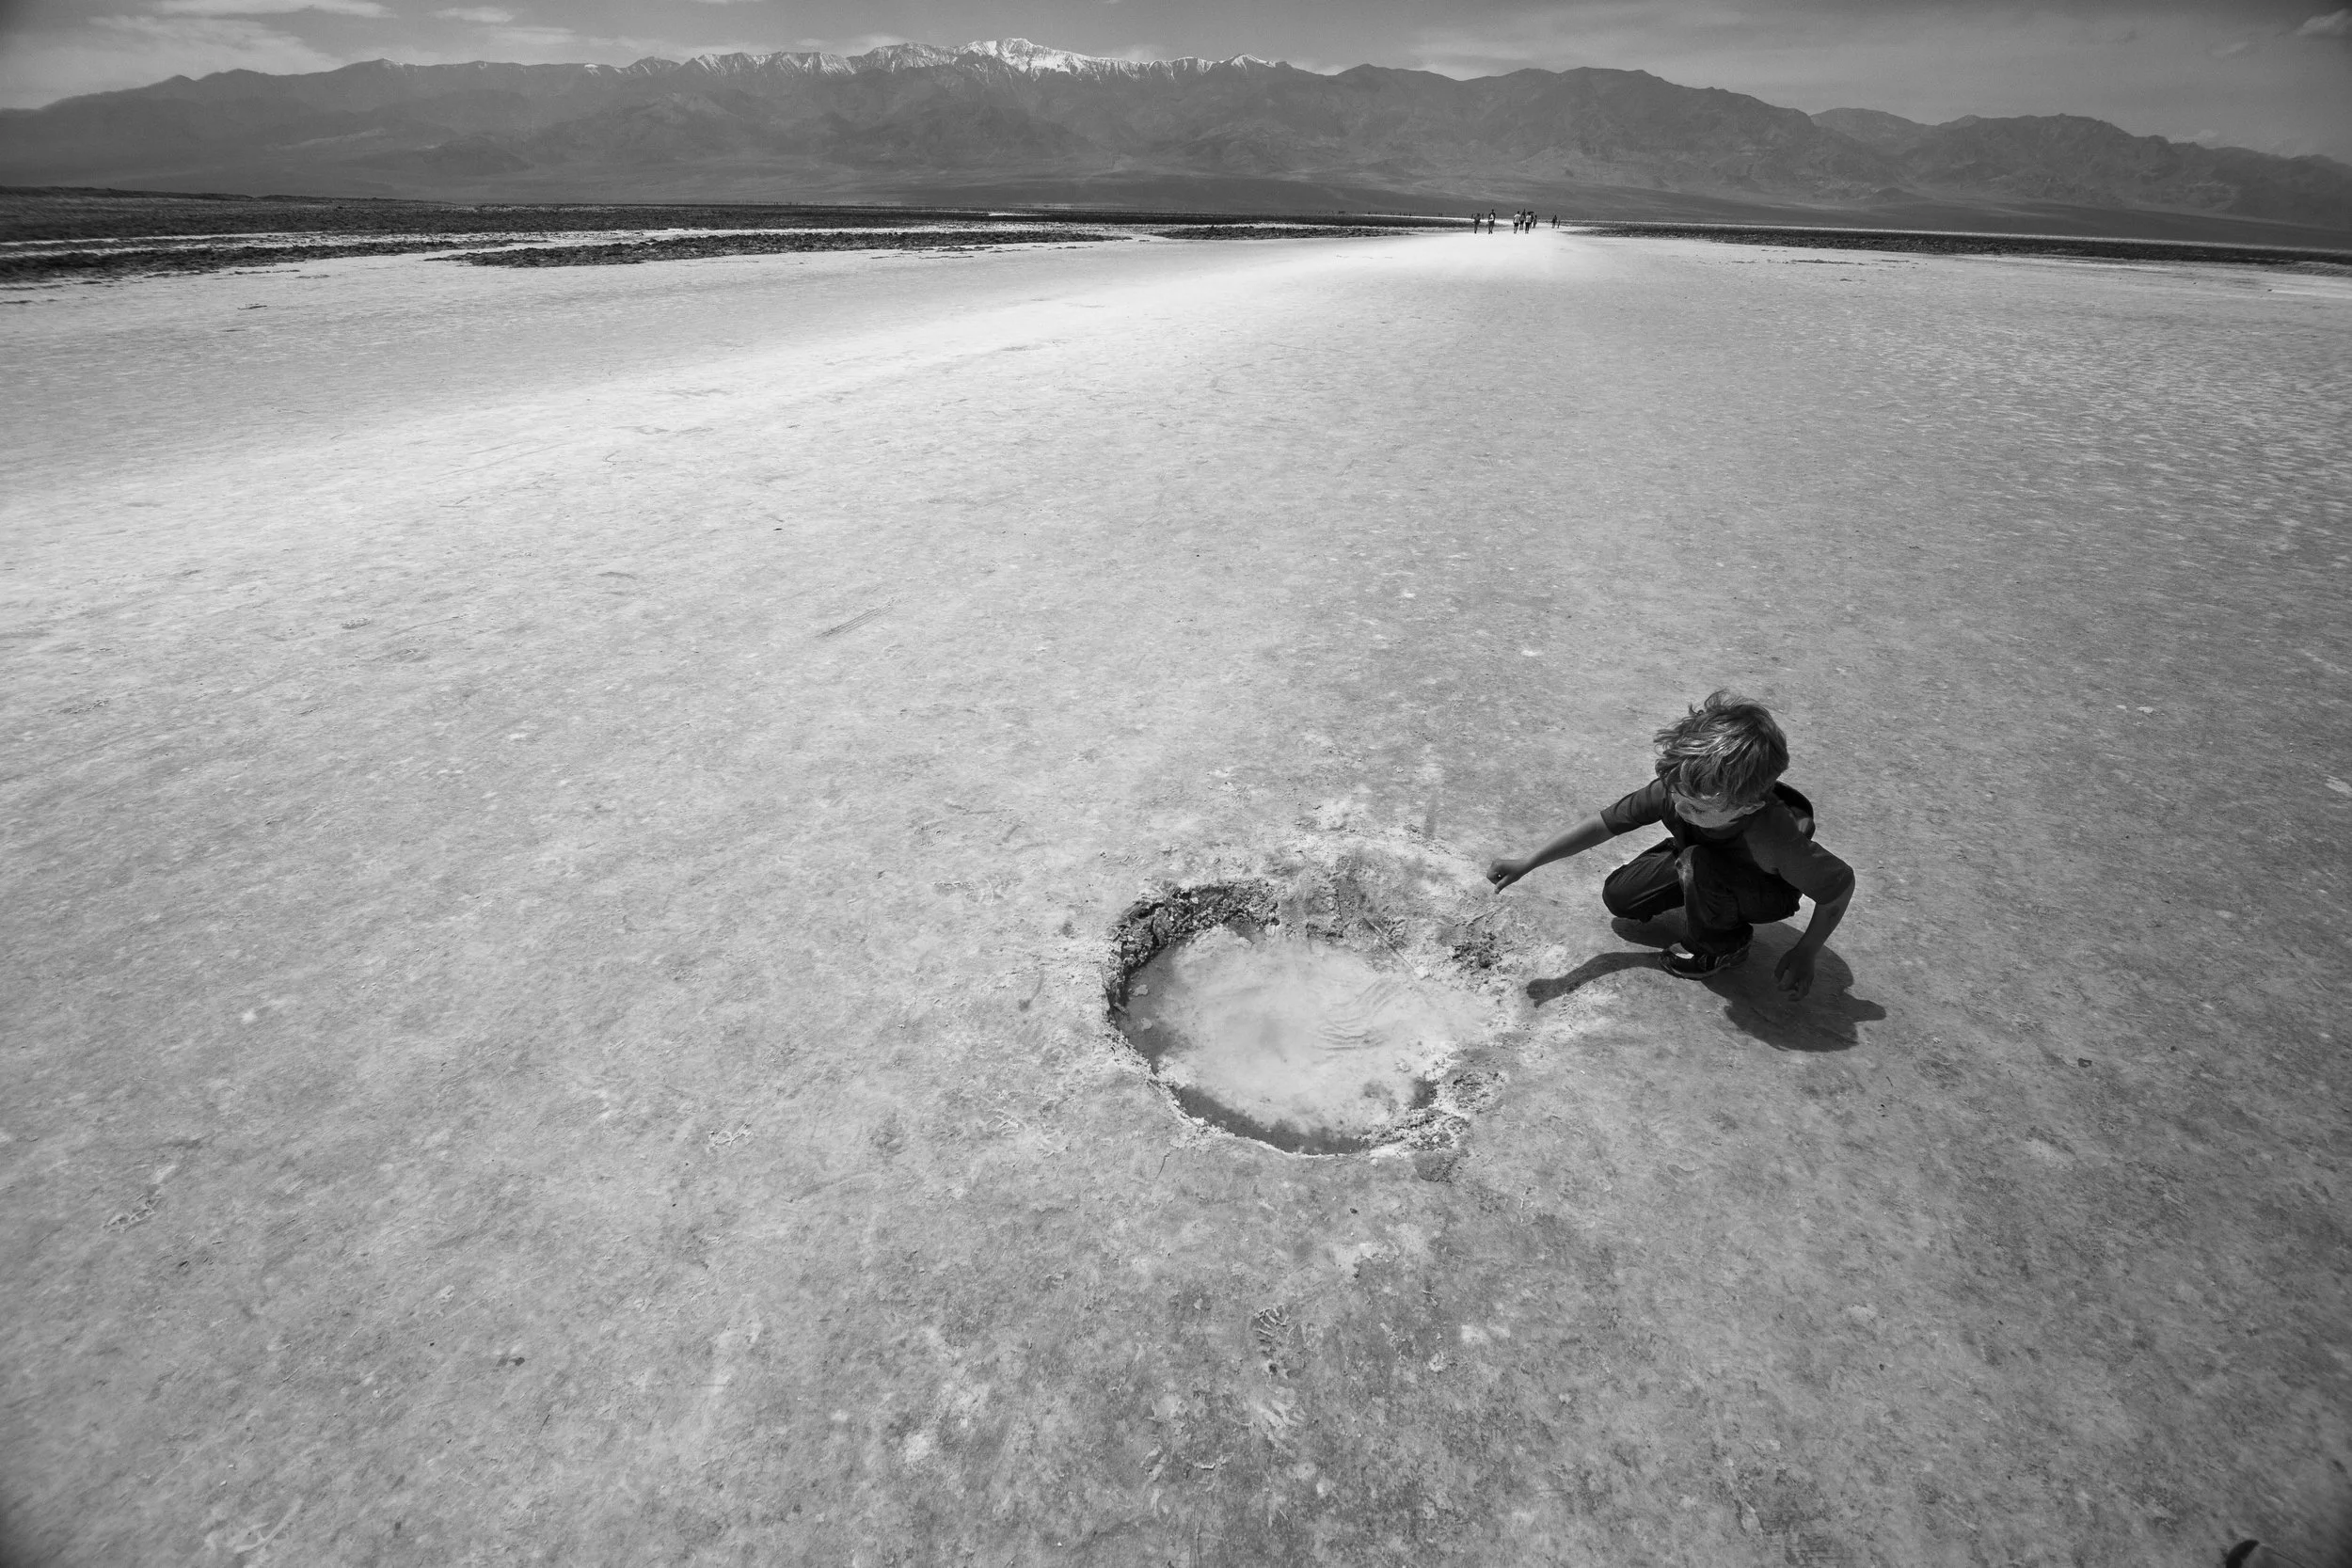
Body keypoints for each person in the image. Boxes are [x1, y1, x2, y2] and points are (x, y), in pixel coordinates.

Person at [1486, 690, 1855, 994]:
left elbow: (1838, 886)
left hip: (1763, 888)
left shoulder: (1774, 838)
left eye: (1696, 806)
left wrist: (1807, 951)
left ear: (1750, 804)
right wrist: (1529, 862)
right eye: (1677, 793)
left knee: (1699, 862)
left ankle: (1722, 946)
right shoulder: (1679, 789)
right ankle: (1699, 887)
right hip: (1700, 857)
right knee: (1620, 897)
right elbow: (1601, 825)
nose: (1680, 804)